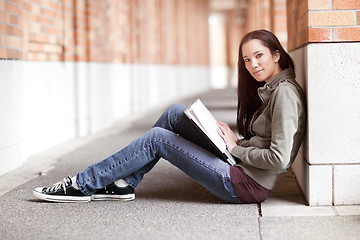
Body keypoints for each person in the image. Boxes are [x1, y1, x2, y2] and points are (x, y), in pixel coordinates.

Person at [33, 29, 306, 204]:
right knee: (176, 112)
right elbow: (264, 140)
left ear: (276, 55)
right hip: (239, 165)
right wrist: (237, 142)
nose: (253, 64)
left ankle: (82, 184)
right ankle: (125, 183)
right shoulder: (273, 89)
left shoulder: (284, 94)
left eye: (258, 56)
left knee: (157, 139)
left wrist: (236, 148)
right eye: (247, 60)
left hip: (244, 184)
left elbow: (279, 159)